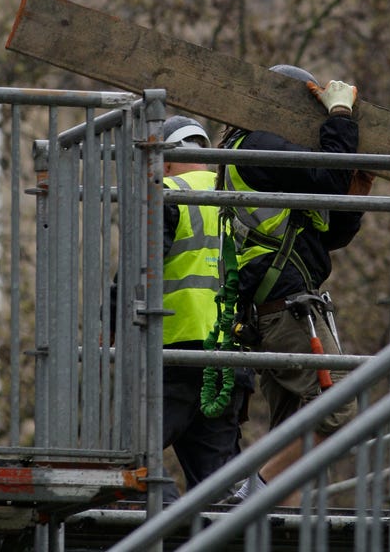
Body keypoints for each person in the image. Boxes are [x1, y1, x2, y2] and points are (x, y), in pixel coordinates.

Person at [217, 65, 372, 501]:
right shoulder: (258, 145)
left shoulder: (254, 153)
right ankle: (253, 491)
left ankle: (268, 511)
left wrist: (352, 198)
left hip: (281, 306)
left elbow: (328, 236)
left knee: (292, 428)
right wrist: (339, 116)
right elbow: (327, 178)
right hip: (287, 308)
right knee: (338, 411)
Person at [155, 115, 255, 501]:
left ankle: (165, 521)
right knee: (218, 487)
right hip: (227, 357)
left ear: (164, 162)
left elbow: (138, 270)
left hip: (175, 350)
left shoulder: (163, 192)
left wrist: (112, 322)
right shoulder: (237, 197)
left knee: (130, 452)